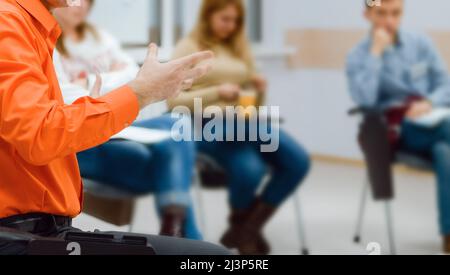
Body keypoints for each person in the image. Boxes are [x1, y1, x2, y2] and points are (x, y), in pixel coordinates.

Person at [0, 0, 229, 255]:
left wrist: (121, 94)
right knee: (213, 256)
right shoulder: (7, 22)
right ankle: (178, 221)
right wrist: (139, 93)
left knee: (177, 129)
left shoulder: (36, 29)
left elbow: (123, 74)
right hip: (21, 235)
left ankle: (176, 218)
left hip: (43, 224)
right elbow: (42, 133)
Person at [169, 0, 310, 255]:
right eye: (225, 19)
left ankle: (243, 231)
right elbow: (173, 101)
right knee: (252, 157)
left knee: (285, 163)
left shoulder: (239, 48)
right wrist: (217, 91)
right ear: (208, 16)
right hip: (203, 125)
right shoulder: (188, 47)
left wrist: (260, 91)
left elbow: (252, 103)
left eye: (235, 21)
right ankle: (246, 232)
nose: (231, 26)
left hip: (243, 124)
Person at [52, 0, 201, 240]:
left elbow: (134, 75)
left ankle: (176, 231)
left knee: (178, 124)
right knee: (165, 161)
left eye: (87, 2)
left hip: (117, 125)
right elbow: (66, 98)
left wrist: (89, 82)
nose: (81, 6)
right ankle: (185, 237)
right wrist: (116, 82)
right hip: (83, 139)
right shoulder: (47, 42)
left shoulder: (98, 37)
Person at [347, 0, 450, 253]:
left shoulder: (420, 44)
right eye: (381, 14)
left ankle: (449, 233)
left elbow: (445, 84)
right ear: (367, 15)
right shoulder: (358, 56)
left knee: (445, 152)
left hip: (435, 123)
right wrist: (376, 54)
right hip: (396, 131)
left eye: (395, 13)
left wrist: (428, 102)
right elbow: (365, 100)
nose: (389, 21)